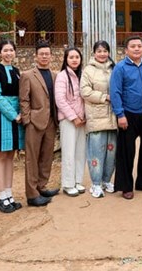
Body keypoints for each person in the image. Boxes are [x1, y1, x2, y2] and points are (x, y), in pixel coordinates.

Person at [111, 36, 142, 200]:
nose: (137, 48)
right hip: (128, 114)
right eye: (133, 46)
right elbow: (115, 92)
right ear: (126, 50)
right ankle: (126, 186)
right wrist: (120, 114)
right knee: (126, 151)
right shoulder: (120, 68)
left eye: (139, 46)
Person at [19, 41, 60, 207]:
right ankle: (32, 194)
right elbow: (24, 99)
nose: (44, 56)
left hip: (51, 121)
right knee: (32, 158)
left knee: (46, 156)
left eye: (47, 54)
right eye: (41, 54)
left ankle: (42, 186)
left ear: (51, 56)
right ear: (36, 56)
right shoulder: (27, 75)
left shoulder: (55, 75)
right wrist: (27, 119)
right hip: (34, 122)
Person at [0, 40, 24, 213]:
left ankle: (9, 194)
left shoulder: (17, 71)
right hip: (3, 116)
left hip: (17, 116)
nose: (9, 53)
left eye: (11, 50)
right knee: (1, 155)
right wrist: (13, 115)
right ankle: (1, 196)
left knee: (11, 155)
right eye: (5, 50)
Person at [81, 40, 118, 198]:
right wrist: (104, 97)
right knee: (96, 152)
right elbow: (85, 91)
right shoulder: (88, 70)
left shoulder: (114, 69)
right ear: (94, 53)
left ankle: (106, 180)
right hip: (96, 116)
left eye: (105, 51)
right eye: (99, 51)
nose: (102, 54)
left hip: (113, 117)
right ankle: (95, 184)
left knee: (111, 152)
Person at [56, 47, 87, 197]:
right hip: (69, 120)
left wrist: (83, 117)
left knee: (80, 152)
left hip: (82, 120)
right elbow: (60, 100)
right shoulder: (62, 76)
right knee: (69, 152)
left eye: (77, 57)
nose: (74, 60)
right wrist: (73, 117)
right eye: (71, 57)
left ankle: (78, 180)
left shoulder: (82, 75)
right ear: (66, 60)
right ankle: (68, 184)